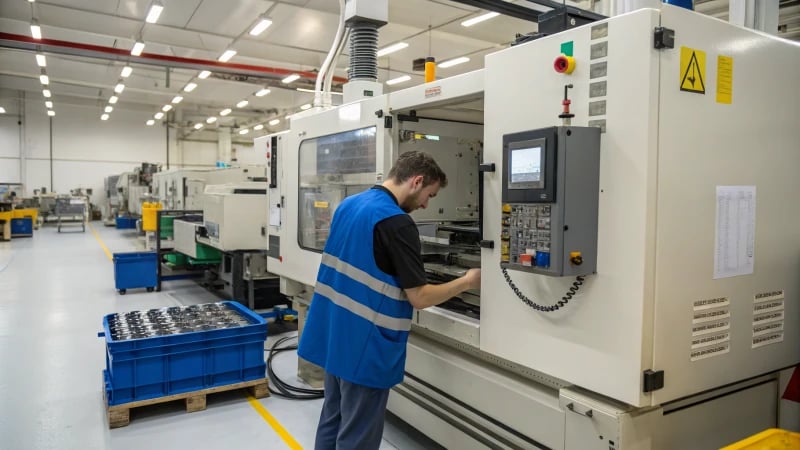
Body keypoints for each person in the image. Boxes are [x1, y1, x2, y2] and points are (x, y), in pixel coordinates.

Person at [298, 151, 481, 450]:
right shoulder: (397, 223)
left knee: (333, 418)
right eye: (429, 195)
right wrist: (467, 281)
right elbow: (419, 297)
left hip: (335, 335)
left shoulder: (349, 205)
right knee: (359, 435)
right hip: (366, 345)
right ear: (417, 181)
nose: (425, 205)